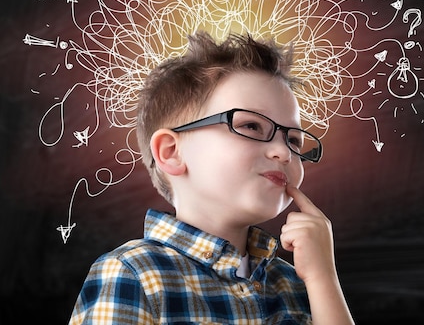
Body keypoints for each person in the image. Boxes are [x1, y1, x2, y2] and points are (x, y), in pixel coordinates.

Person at [69, 31, 354, 324]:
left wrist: (323, 279)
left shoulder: (298, 284)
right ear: (171, 153)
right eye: (252, 126)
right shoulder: (132, 272)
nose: (283, 152)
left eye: (294, 140)